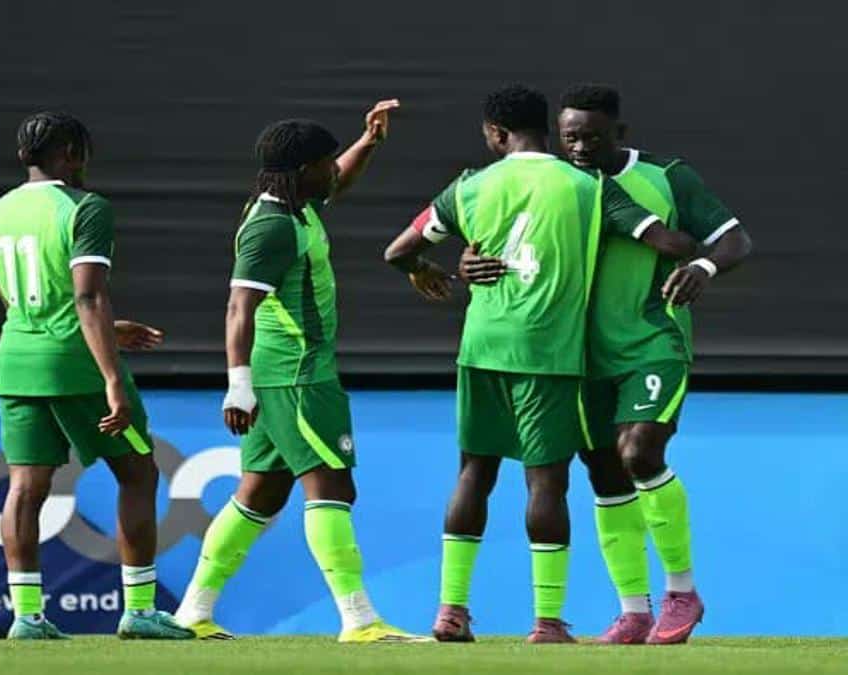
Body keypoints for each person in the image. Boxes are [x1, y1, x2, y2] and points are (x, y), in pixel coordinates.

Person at [382, 84, 698, 643]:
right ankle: (547, 622)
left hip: (481, 347)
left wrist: (431, 272)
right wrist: (696, 256)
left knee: (473, 474)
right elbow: (662, 238)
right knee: (545, 483)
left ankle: (450, 612)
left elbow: (399, 250)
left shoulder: (469, 187)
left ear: (495, 134)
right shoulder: (589, 186)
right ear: (548, 131)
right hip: (550, 355)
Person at [459, 83, 751, 644]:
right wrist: (469, 263)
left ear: (620, 134)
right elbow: (503, 240)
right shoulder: (561, 186)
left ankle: (682, 592)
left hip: (651, 343)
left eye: (593, 137)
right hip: (579, 356)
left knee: (640, 452)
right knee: (605, 475)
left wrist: (706, 268)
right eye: (570, 137)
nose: (581, 147)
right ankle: (634, 610)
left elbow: (734, 241)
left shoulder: (667, 177)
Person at [174, 101, 429, 643]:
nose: (334, 169)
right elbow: (238, 306)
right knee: (333, 485)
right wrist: (236, 386)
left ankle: (192, 612)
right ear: (300, 171)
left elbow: (341, 181)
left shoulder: (295, 207)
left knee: (261, 493)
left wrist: (369, 142)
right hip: (297, 375)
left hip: (283, 374)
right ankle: (359, 620)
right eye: (326, 162)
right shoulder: (271, 228)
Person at [0, 111, 190, 640]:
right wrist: (113, 377)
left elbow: (14, 296)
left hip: (17, 358)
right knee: (138, 471)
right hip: (74, 363)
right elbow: (86, 294)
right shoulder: (86, 208)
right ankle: (139, 610)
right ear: (71, 154)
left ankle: (27, 618)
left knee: (25, 487)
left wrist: (107, 328)